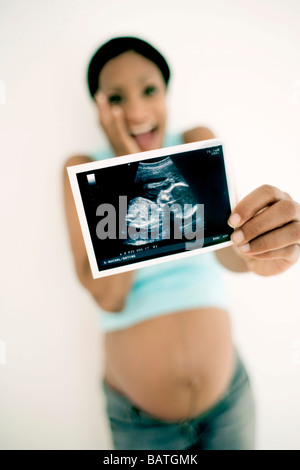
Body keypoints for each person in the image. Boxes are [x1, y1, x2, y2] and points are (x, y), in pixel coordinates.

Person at [63, 36, 300, 450]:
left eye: (149, 89)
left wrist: (262, 250)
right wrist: (125, 163)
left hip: (229, 403)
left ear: (167, 92)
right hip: (141, 424)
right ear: (99, 108)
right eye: (117, 97)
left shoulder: (196, 141)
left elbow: (231, 254)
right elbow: (110, 298)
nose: (136, 110)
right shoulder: (84, 170)